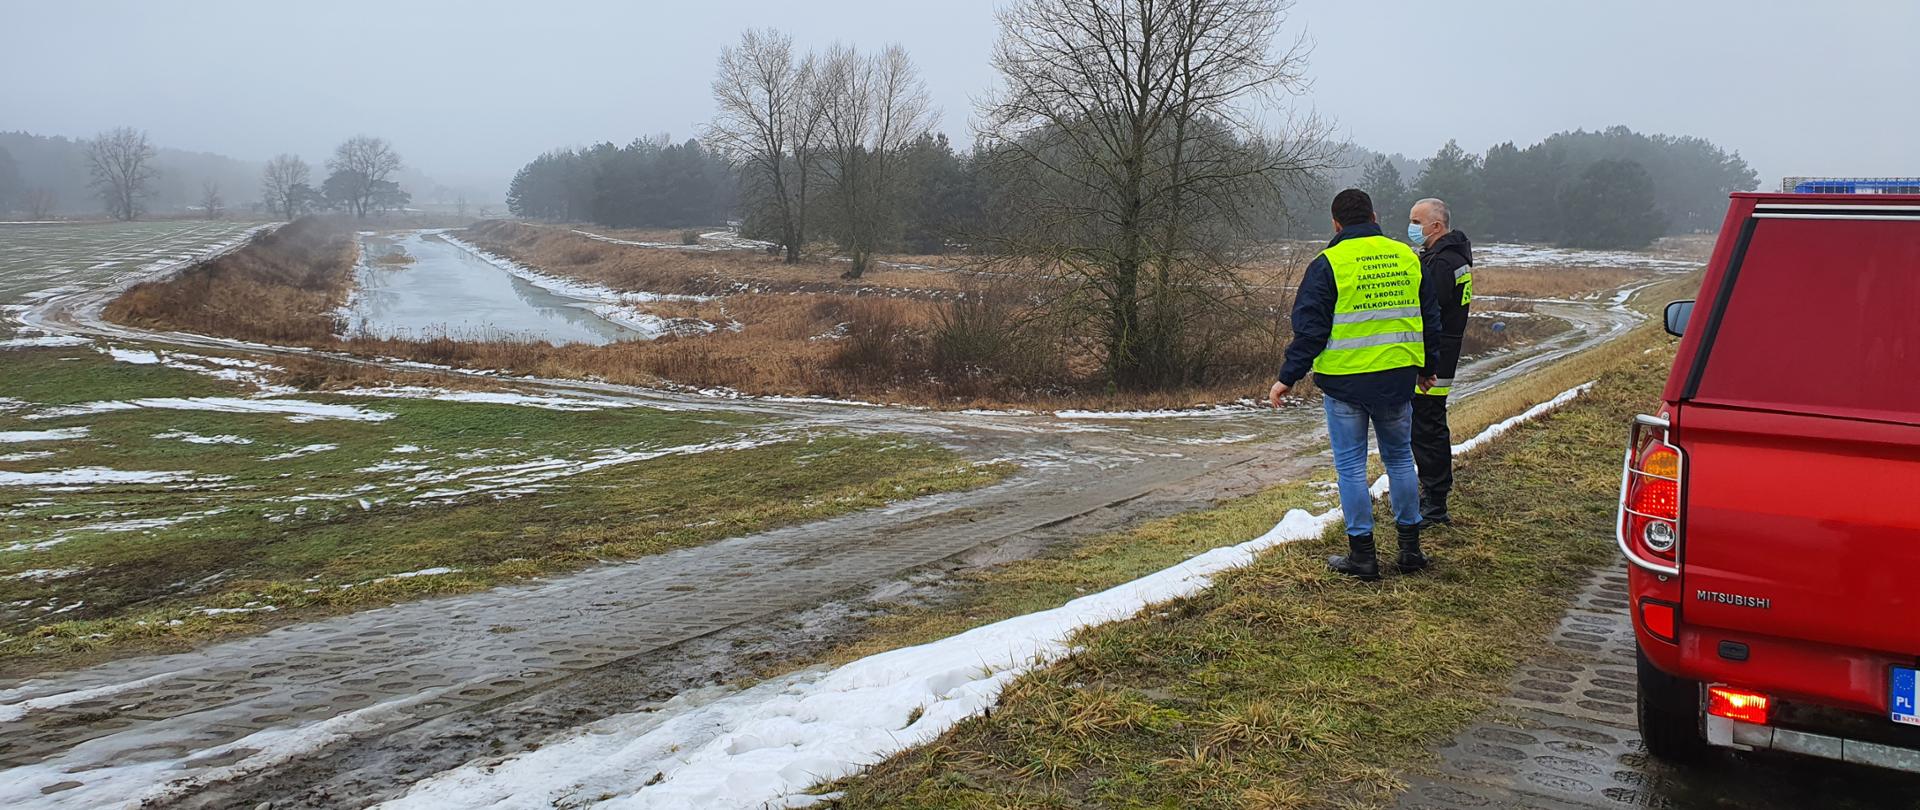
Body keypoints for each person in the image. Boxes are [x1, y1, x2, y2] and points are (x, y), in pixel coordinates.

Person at [1268, 189, 1441, 580]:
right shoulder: (1407, 257)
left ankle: (1363, 557)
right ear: (1374, 216)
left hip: (1345, 383)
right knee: (1400, 460)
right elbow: (1429, 318)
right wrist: (1427, 367)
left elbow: (1311, 330)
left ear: (1336, 223)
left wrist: (1287, 377)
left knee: (1350, 467)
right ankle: (1410, 550)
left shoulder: (1327, 264)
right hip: (1397, 378)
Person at [1407, 198, 1473, 528]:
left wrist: (1425, 365)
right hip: (1444, 350)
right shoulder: (1453, 257)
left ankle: (1434, 502)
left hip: (1436, 355)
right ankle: (1431, 493)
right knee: (1428, 424)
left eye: (1416, 222)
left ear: (1436, 226)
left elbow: (1427, 312)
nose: (1411, 228)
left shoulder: (1442, 263)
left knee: (1427, 428)